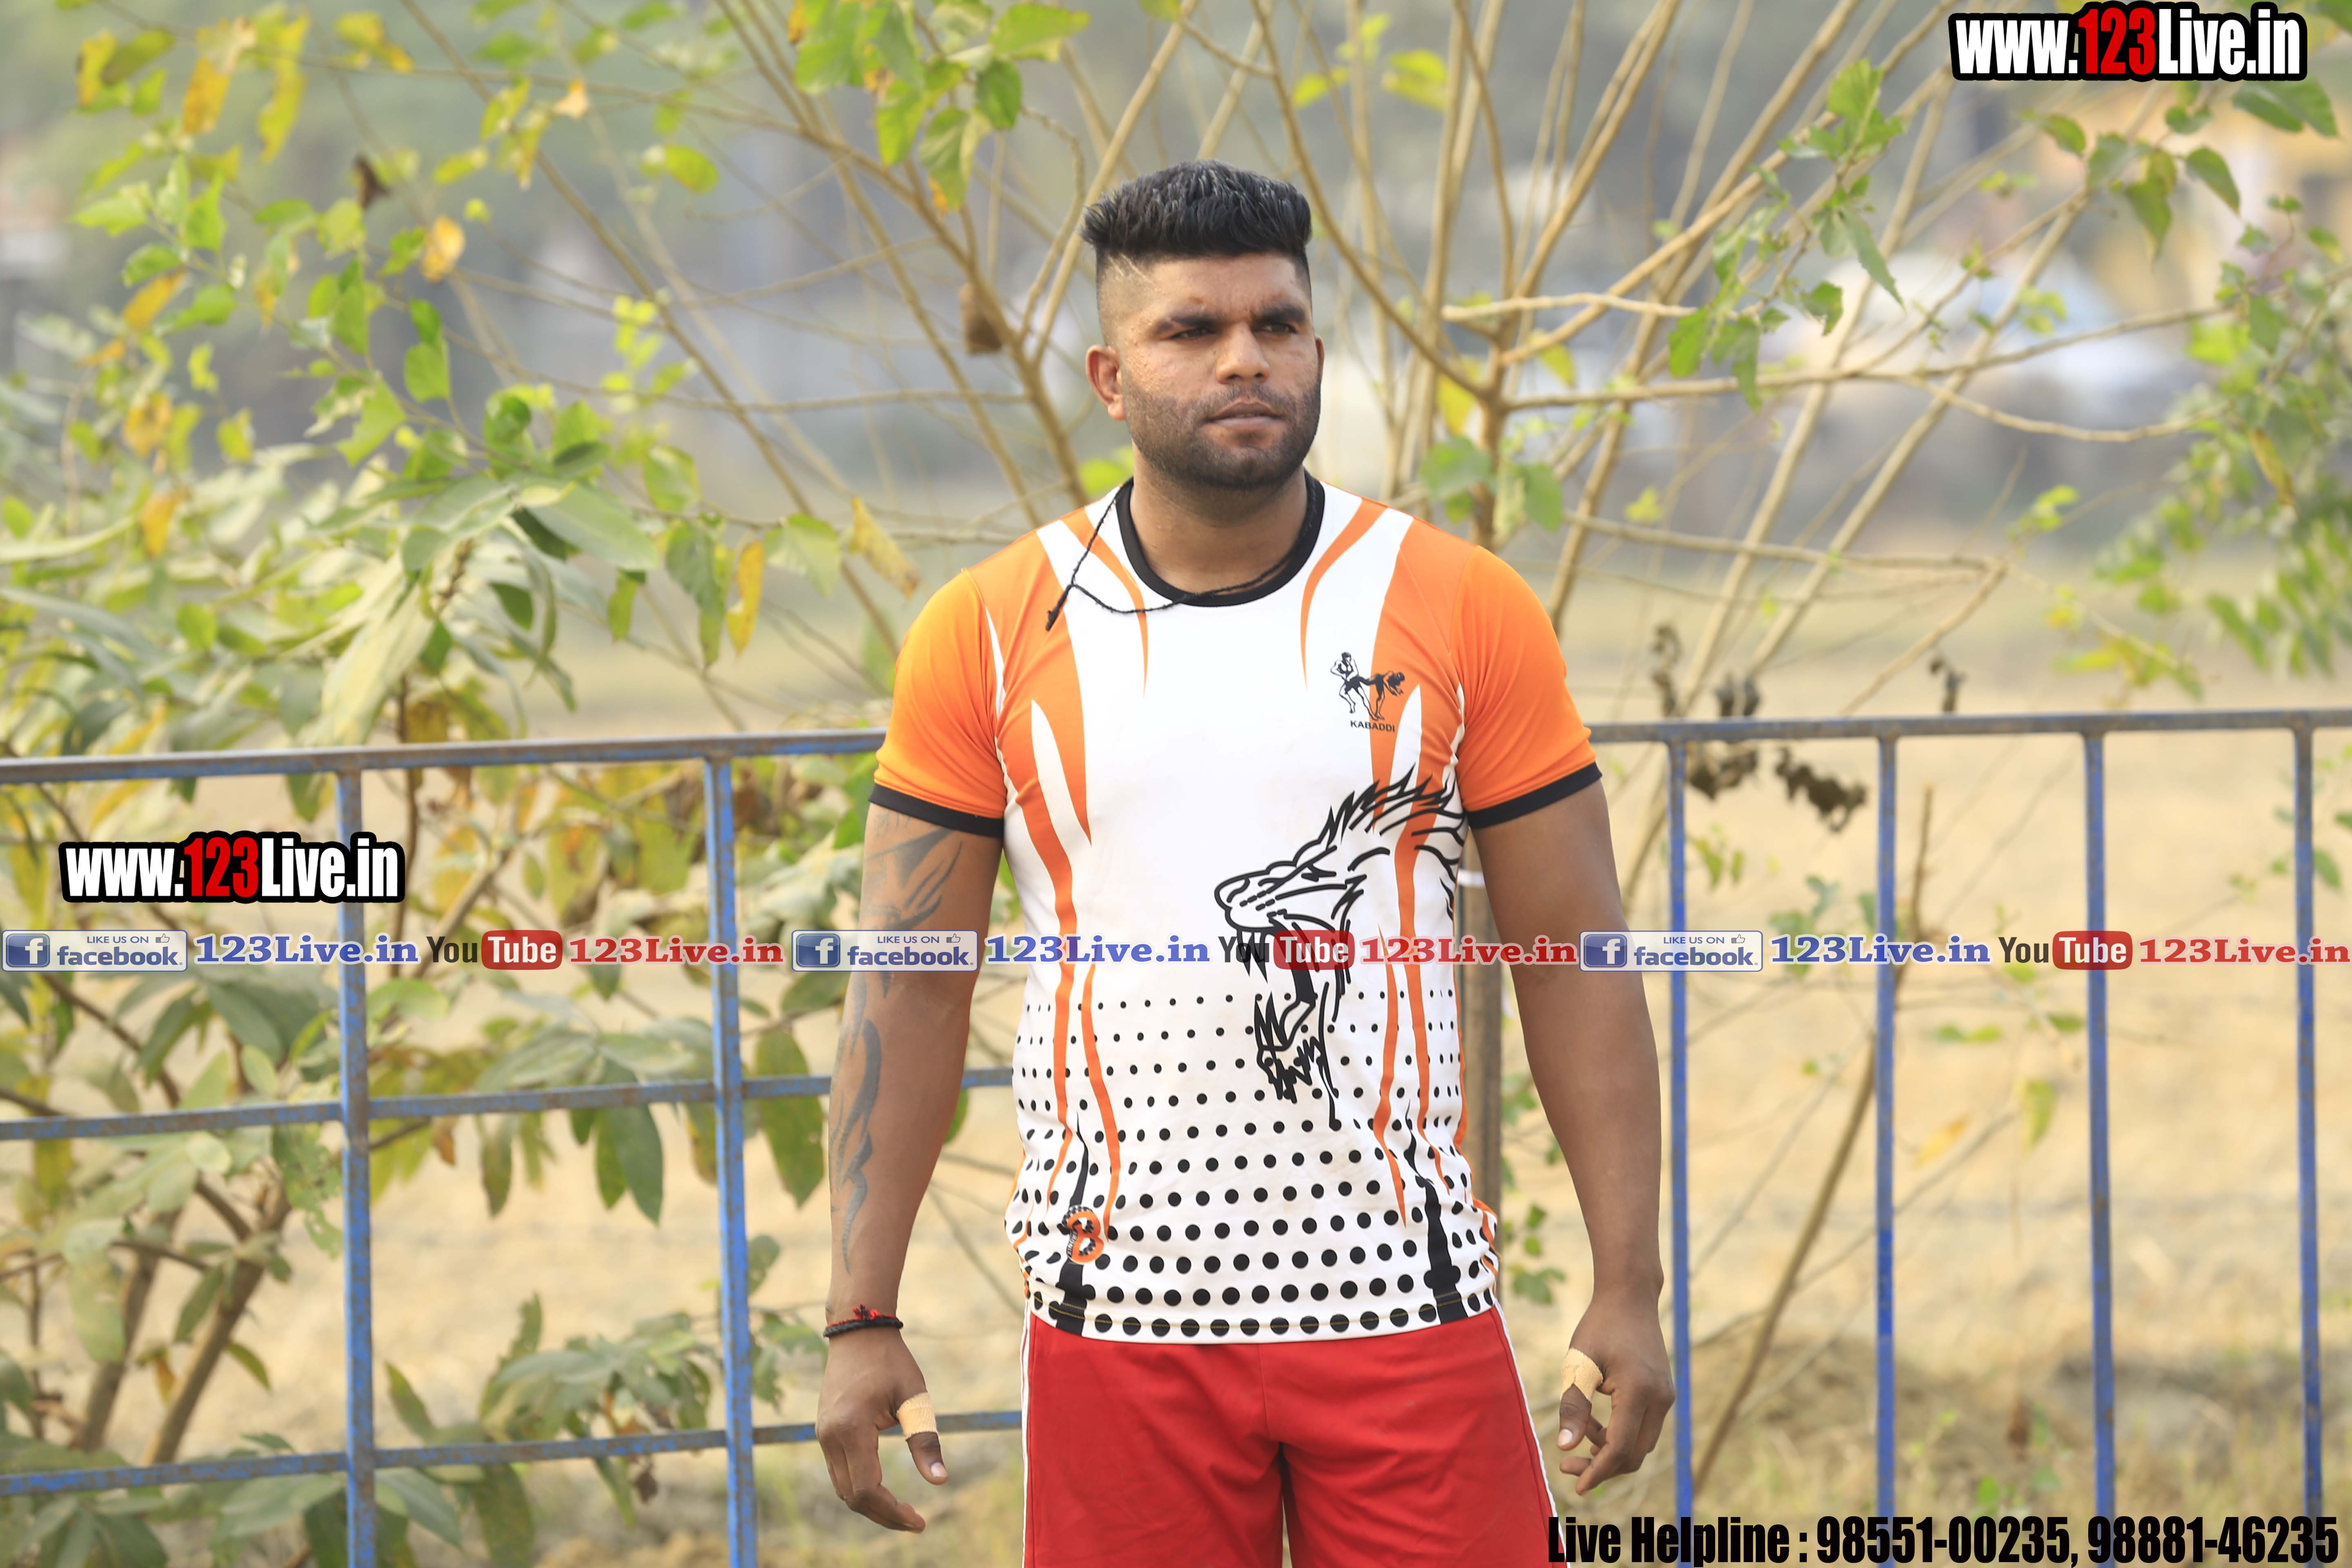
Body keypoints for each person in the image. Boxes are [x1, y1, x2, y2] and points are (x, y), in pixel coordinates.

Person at [813, 159, 1671, 1567]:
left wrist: (1628, 1284)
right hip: (1120, 1324)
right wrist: (862, 1313)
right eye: (1192, 330)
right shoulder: (986, 629)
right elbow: (908, 983)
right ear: (1109, 376)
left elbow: (1576, 959)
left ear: (1318, 349)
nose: (1244, 359)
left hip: (1405, 1305)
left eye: (1278, 325)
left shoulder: (1460, 604)